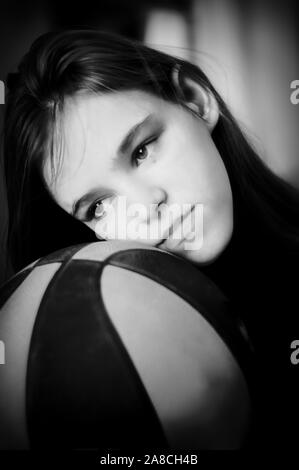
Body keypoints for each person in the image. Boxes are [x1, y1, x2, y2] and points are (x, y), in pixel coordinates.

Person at [2, 29, 299, 449]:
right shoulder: (113, 380)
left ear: (195, 100)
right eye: (99, 207)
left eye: (142, 150)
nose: (144, 208)